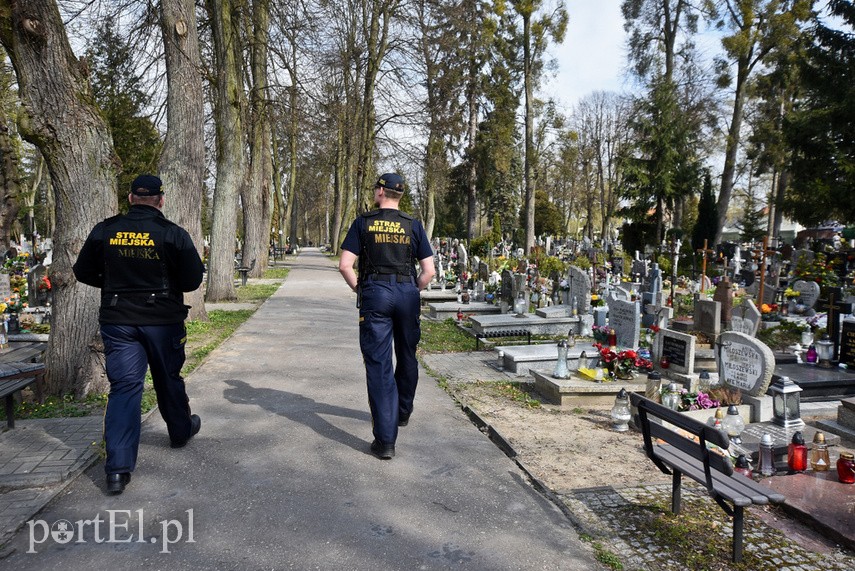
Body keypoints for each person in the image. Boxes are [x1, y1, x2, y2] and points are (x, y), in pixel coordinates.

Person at [73, 174, 205, 494]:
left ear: (131, 198)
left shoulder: (105, 231)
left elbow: (82, 271)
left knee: (125, 387)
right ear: (161, 200)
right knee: (167, 377)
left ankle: (117, 470)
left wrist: (114, 281)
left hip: (119, 321)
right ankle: (179, 431)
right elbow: (191, 281)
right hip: (162, 320)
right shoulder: (172, 234)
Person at [338, 173, 435, 459]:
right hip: (407, 292)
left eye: (375, 189)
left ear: (381, 191)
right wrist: (410, 289)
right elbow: (428, 271)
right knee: (407, 354)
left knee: (379, 364)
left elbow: (345, 265)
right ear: (399, 195)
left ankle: (386, 440)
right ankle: (402, 412)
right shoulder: (413, 225)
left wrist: (362, 289)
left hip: (375, 292)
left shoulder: (363, 222)